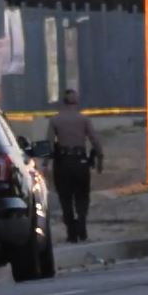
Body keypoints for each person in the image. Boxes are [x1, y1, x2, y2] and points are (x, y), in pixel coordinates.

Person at [46, 88, 103, 243]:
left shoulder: (55, 120)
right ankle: (82, 228)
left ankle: (71, 232)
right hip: (80, 162)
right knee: (82, 197)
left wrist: (45, 164)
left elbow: (49, 145)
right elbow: (95, 141)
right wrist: (100, 160)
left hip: (63, 163)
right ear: (76, 102)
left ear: (62, 103)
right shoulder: (84, 120)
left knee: (65, 198)